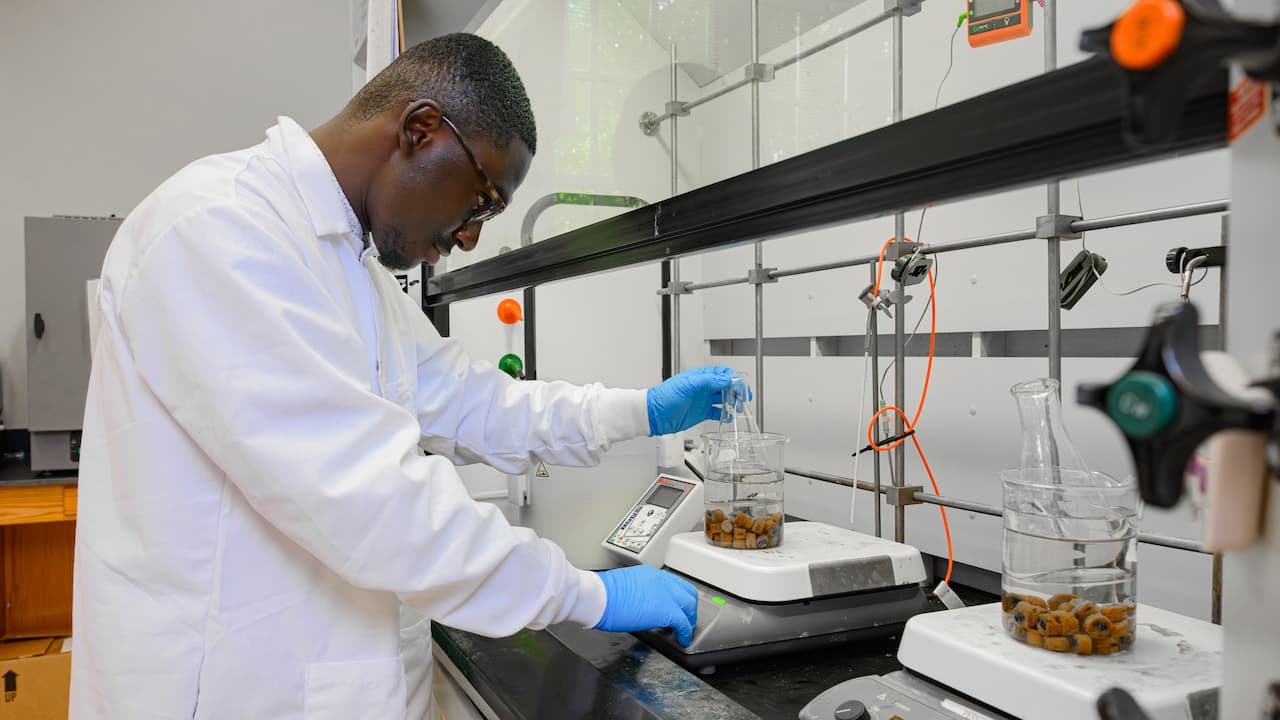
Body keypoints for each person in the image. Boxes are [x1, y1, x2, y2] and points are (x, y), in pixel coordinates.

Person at [71, 33, 731, 719]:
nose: (471, 236)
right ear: (421, 131)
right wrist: (585, 594)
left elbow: (478, 403)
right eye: (481, 200)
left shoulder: (354, 272)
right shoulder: (218, 230)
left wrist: (640, 412)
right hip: (226, 689)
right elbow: (369, 498)